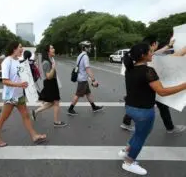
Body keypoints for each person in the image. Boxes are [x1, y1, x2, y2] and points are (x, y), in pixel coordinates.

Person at [118, 43, 186, 175]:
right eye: (150, 52)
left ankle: (126, 150)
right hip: (143, 111)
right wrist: (184, 85)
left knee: (139, 133)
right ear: (143, 55)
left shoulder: (129, 68)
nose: (152, 54)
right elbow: (162, 92)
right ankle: (129, 162)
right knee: (141, 136)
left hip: (131, 108)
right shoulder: (148, 71)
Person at [120, 36, 186, 133]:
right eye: (150, 51)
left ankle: (126, 123)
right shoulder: (149, 65)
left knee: (137, 102)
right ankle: (170, 128)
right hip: (149, 94)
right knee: (159, 109)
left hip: (137, 98)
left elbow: (157, 53)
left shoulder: (134, 60)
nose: (152, 53)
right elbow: (174, 56)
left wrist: (169, 45)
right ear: (153, 45)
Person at [0, 41, 47, 147]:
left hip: (20, 94)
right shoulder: (7, 62)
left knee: (26, 115)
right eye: (20, 47)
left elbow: (21, 76)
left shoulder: (18, 61)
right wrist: (19, 84)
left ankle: (34, 136)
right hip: (11, 96)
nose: (22, 49)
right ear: (14, 49)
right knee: (3, 117)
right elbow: (5, 81)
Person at [31, 45, 67, 127]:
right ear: (48, 51)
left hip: (52, 83)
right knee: (56, 102)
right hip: (50, 83)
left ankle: (35, 112)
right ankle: (56, 122)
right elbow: (48, 76)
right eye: (52, 48)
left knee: (52, 103)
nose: (54, 49)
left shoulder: (50, 60)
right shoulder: (46, 63)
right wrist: (53, 68)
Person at [67, 44, 103, 116]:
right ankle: (70, 109)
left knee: (88, 93)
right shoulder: (85, 57)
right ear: (85, 48)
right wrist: (93, 80)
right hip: (82, 79)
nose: (90, 48)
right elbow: (87, 69)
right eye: (89, 47)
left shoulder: (80, 55)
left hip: (82, 77)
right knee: (78, 94)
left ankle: (94, 107)